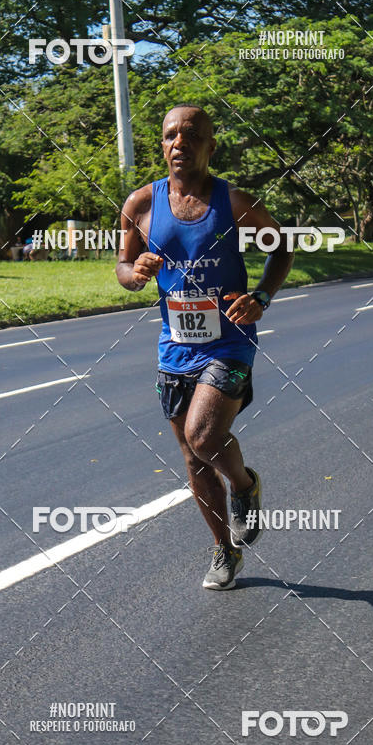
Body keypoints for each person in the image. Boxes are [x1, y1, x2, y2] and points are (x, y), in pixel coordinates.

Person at [116, 104, 294, 590]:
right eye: (172, 135)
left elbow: (282, 248)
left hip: (230, 343)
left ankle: (244, 485)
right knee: (193, 458)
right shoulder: (141, 204)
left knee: (203, 435)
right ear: (162, 145)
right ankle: (224, 551)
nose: (180, 143)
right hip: (175, 346)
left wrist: (261, 296)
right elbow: (123, 267)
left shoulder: (233, 202)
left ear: (210, 147)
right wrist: (135, 275)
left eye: (192, 135)